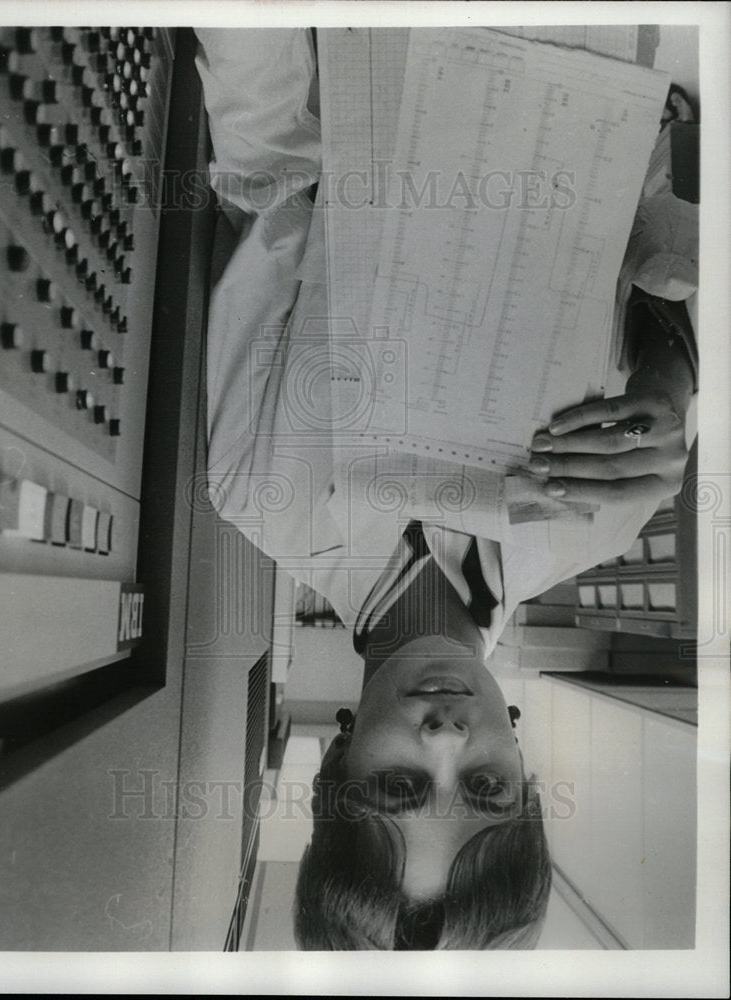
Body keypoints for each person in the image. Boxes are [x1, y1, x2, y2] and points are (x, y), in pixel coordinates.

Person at [193, 28, 698, 949]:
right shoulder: (607, 515)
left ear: (338, 760)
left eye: (399, 788)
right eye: (485, 788)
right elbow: (650, 221)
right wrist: (673, 378)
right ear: (523, 767)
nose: (443, 738)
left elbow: (269, 174)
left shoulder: (257, 489)